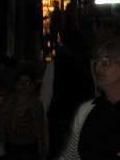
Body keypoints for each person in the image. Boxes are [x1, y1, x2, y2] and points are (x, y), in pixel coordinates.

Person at [40, 29, 94, 159]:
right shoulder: (89, 65)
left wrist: (42, 119)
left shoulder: (55, 65)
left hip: (59, 117)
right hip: (83, 117)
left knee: (57, 151)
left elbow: (45, 96)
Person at [0, 69, 48, 160]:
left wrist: (42, 150)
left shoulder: (37, 105)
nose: (23, 85)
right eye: (21, 82)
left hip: (30, 148)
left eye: (27, 83)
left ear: (33, 86)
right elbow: (0, 127)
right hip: (11, 147)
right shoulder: (7, 103)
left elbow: (40, 130)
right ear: (16, 85)